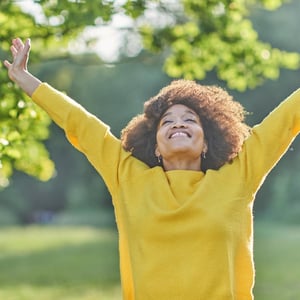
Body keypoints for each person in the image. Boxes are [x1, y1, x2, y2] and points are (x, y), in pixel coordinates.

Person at [3, 38, 300, 300]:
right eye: (167, 121)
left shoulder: (237, 178)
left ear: (207, 142)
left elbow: (286, 120)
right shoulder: (128, 178)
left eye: (190, 119)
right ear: (156, 146)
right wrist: (24, 78)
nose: (179, 123)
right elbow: (80, 124)